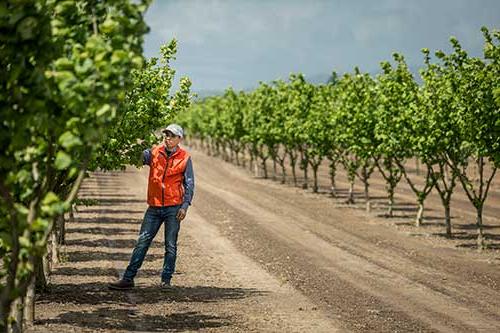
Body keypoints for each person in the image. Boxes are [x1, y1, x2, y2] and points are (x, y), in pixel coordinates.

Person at [109, 124, 195, 290]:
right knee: (142, 241)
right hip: (154, 207)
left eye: (172, 136)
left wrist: (184, 206)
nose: (168, 138)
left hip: (173, 208)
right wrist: (137, 143)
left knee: (170, 245)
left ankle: (166, 281)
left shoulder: (185, 158)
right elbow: (138, 157)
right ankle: (128, 279)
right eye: (166, 135)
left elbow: (189, 184)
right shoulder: (154, 152)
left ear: (179, 139)